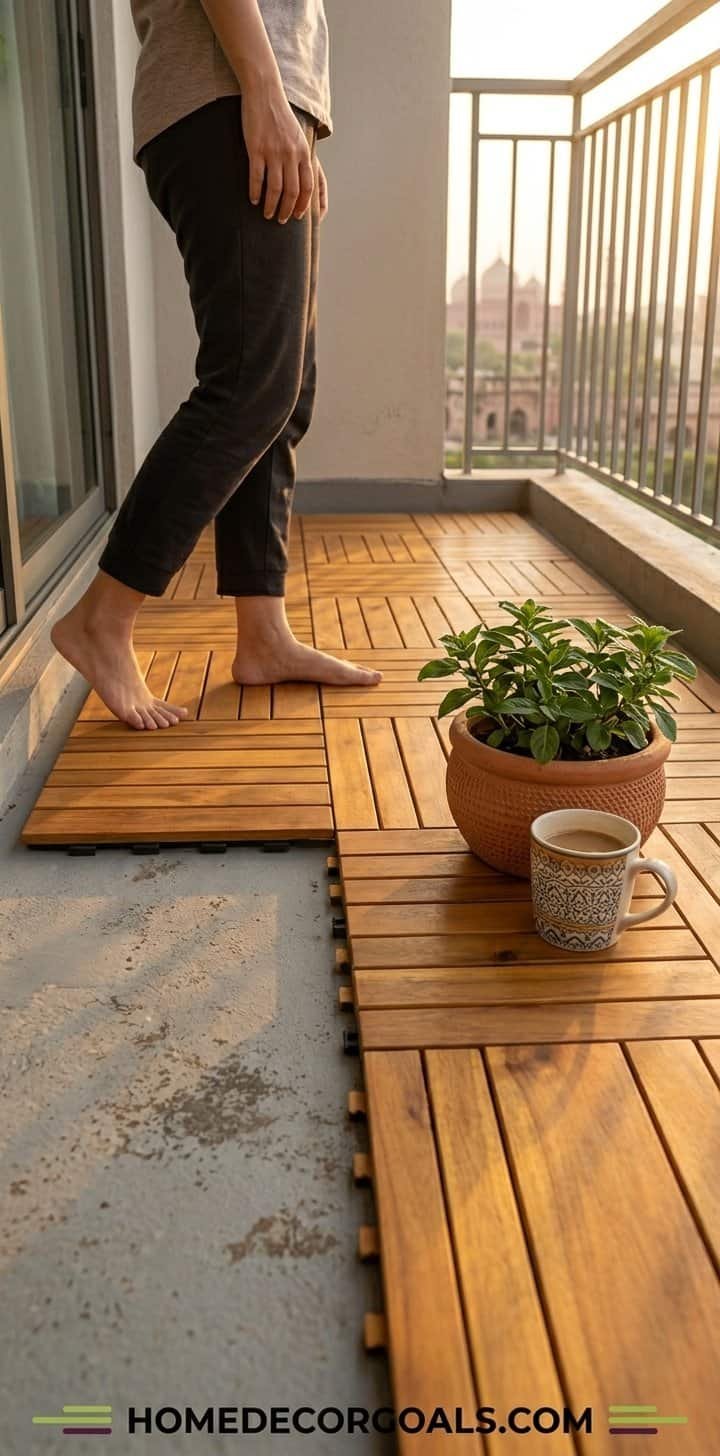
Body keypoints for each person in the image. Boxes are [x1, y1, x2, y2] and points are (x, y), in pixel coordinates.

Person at [52, 0, 382, 730]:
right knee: (249, 388)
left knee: (283, 392)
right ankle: (103, 618)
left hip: (258, 101)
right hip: (227, 96)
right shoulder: (241, 92)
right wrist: (265, 94)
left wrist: (299, 121)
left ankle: (263, 635)